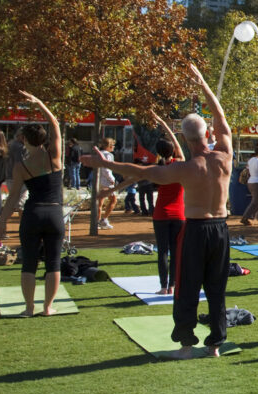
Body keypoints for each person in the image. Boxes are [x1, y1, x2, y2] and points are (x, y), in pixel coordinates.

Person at [82, 64, 234, 358]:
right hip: (221, 229)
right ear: (208, 134)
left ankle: (187, 344)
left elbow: (139, 170)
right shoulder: (224, 155)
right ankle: (215, 344)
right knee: (216, 289)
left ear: (185, 138)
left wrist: (106, 165)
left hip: (196, 228)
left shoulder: (183, 168)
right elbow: (221, 117)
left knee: (187, 288)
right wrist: (203, 84)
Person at [0, 92, 65, 316]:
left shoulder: (21, 167)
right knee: (53, 263)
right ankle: (47, 308)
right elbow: (54, 122)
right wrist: (40, 103)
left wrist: (2, 222)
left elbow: (14, 197)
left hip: (33, 214)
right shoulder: (54, 156)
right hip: (54, 214)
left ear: (24, 140)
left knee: (29, 264)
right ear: (43, 139)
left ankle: (28, 308)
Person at [149, 111, 185, 295]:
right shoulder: (180, 165)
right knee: (176, 251)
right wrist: (164, 123)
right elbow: (178, 147)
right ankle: (172, 285)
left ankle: (164, 286)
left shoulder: (158, 168)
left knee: (162, 251)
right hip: (178, 214)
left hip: (161, 214)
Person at [95, 137, 117, 229]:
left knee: (99, 202)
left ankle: (97, 222)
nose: (113, 147)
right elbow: (106, 168)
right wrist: (112, 179)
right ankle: (103, 220)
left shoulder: (98, 154)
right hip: (106, 181)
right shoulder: (108, 155)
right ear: (109, 146)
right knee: (113, 199)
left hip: (98, 180)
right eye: (112, 145)